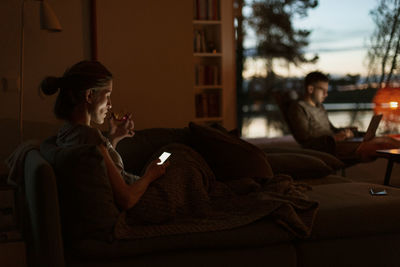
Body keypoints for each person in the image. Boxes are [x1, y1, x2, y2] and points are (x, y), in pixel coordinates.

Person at [40, 60, 169, 211]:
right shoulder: (90, 137)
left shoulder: (67, 132)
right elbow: (126, 199)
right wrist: (150, 175)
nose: (110, 104)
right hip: (145, 199)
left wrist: (113, 138)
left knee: (175, 155)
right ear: (89, 95)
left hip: (139, 188)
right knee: (180, 154)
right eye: (107, 96)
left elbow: (98, 168)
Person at [287, 71, 400, 161]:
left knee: (386, 139)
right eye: (323, 90)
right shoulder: (298, 108)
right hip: (327, 148)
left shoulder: (319, 107)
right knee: (380, 145)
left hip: (338, 142)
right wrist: (334, 138)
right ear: (310, 89)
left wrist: (346, 131)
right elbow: (306, 140)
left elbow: (331, 129)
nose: (326, 94)